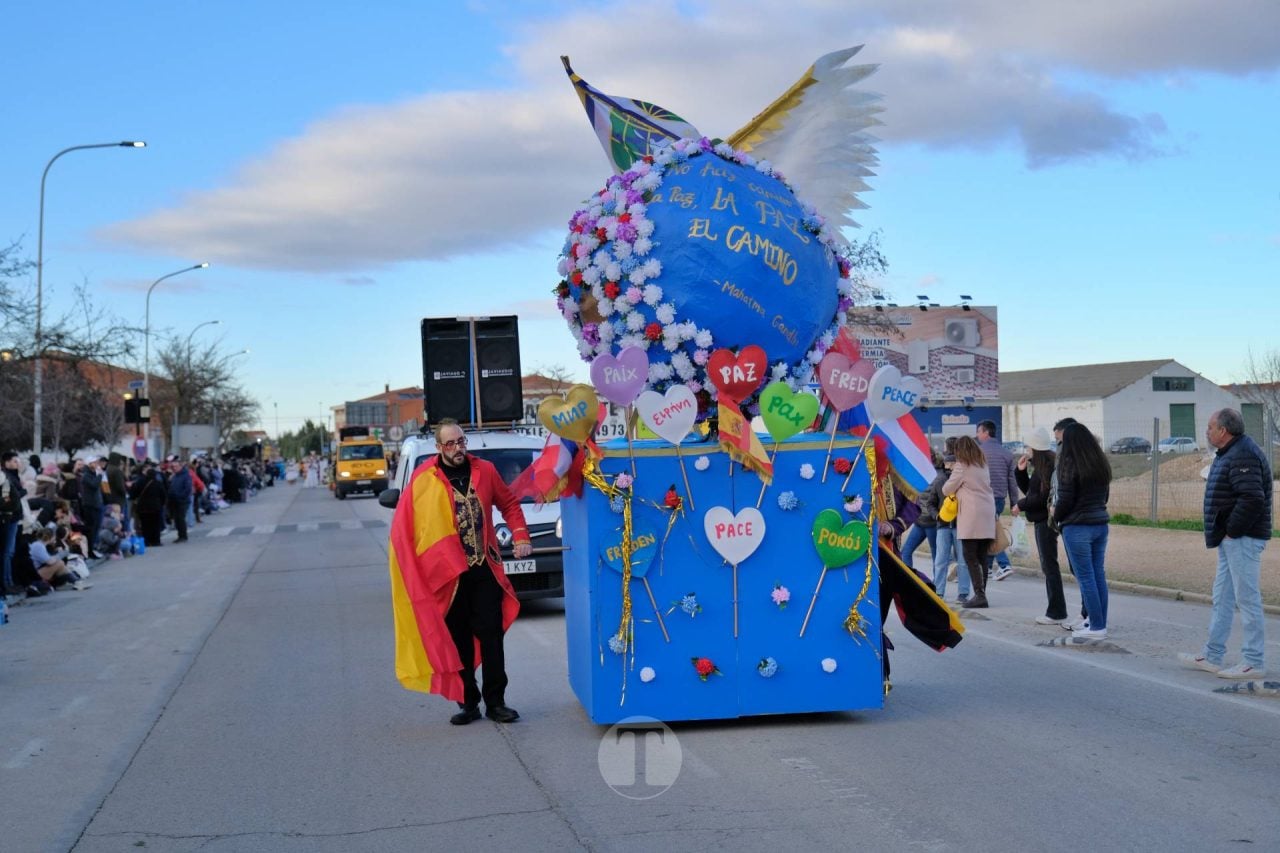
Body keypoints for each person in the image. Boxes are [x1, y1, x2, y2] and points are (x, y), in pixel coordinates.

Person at [387, 418, 532, 725]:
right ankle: (468, 702)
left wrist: (520, 535)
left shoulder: (486, 471)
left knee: (492, 636)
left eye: (461, 442)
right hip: (449, 576)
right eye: (450, 444)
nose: (457, 449)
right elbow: (408, 526)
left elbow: (509, 504)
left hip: (484, 570)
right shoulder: (424, 479)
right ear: (438, 447)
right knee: (459, 640)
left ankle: (496, 702)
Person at [1179, 408, 1272, 679]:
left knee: (1247, 599)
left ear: (1223, 430)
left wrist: (1232, 531)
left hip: (1242, 539)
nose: (1206, 432)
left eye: (1210, 427)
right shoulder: (1230, 452)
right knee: (1222, 597)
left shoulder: (1243, 453)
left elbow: (1253, 498)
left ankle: (1253, 661)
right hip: (1231, 540)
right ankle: (1213, 655)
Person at [1051, 423, 1112, 639]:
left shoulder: (1069, 463)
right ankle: (1098, 623)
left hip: (1077, 526)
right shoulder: (1100, 462)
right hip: (1100, 524)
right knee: (1098, 576)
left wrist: (1055, 516)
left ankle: (1096, 627)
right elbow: (1105, 496)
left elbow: (1065, 498)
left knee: (1086, 577)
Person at [1014, 427, 1069, 625]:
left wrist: (1020, 504)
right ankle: (1056, 609)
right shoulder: (1042, 464)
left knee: (1049, 565)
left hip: (1045, 521)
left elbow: (1041, 498)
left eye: (1028, 445)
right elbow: (1031, 491)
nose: (1026, 448)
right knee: (1049, 565)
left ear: (1035, 446)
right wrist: (1021, 473)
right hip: (1042, 520)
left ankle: (1056, 611)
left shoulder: (1047, 466)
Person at [942, 435, 996, 608]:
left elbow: (946, 489)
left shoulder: (961, 466)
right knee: (982, 556)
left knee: (969, 555)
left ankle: (980, 596)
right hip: (987, 512)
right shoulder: (982, 464)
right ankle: (982, 593)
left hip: (972, 515)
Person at [976, 420, 1020, 581]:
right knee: (990, 529)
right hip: (1000, 499)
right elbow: (1012, 481)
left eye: (979, 432)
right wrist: (1015, 502)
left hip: (983, 498)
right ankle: (987, 568)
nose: (977, 435)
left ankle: (1004, 564)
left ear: (986, 432)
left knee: (990, 532)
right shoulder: (1007, 454)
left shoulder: (978, 452)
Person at [931, 439, 971, 604]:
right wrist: (937, 516)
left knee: (962, 560)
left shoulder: (963, 482)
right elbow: (929, 502)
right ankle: (938, 591)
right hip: (943, 526)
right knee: (942, 560)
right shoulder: (940, 481)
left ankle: (962, 592)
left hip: (959, 526)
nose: (951, 467)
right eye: (949, 464)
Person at [901, 449, 943, 573]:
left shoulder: (938, 476)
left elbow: (938, 501)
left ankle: (938, 588)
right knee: (906, 552)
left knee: (937, 556)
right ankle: (909, 581)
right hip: (919, 522)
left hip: (932, 523)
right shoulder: (920, 473)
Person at [2, 451, 26, 599]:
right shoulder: (6, 477)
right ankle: (7, 582)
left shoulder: (12, 475)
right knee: (7, 552)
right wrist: (22, 491)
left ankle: (10, 581)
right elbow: (12, 496)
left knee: (10, 552)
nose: (18, 463)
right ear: (7, 462)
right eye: (15, 461)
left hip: (14, 517)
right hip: (9, 518)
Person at [80, 456, 106, 559]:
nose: (96, 465)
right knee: (91, 529)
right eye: (94, 463)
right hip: (90, 505)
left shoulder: (93, 474)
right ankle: (90, 550)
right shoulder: (86, 475)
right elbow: (94, 485)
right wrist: (99, 475)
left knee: (96, 528)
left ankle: (93, 548)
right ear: (89, 464)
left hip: (97, 504)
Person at [165, 456, 192, 542]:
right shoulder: (175, 476)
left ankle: (183, 536)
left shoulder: (185, 475)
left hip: (182, 501)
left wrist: (180, 497)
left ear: (180, 466)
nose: (174, 468)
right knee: (177, 519)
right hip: (174, 501)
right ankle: (180, 535)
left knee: (180, 518)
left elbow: (187, 489)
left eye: (176, 466)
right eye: (173, 467)